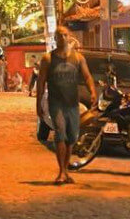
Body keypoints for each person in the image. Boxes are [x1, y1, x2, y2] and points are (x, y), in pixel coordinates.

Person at [37, 26, 96, 185]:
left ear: (69, 37)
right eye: (59, 35)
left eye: (65, 35)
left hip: (72, 104)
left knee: (72, 137)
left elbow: (88, 76)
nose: (62, 37)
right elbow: (41, 82)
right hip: (56, 103)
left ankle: (65, 170)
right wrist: (39, 104)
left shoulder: (78, 58)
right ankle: (61, 172)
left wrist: (93, 92)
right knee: (60, 133)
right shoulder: (48, 59)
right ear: (55, 39)